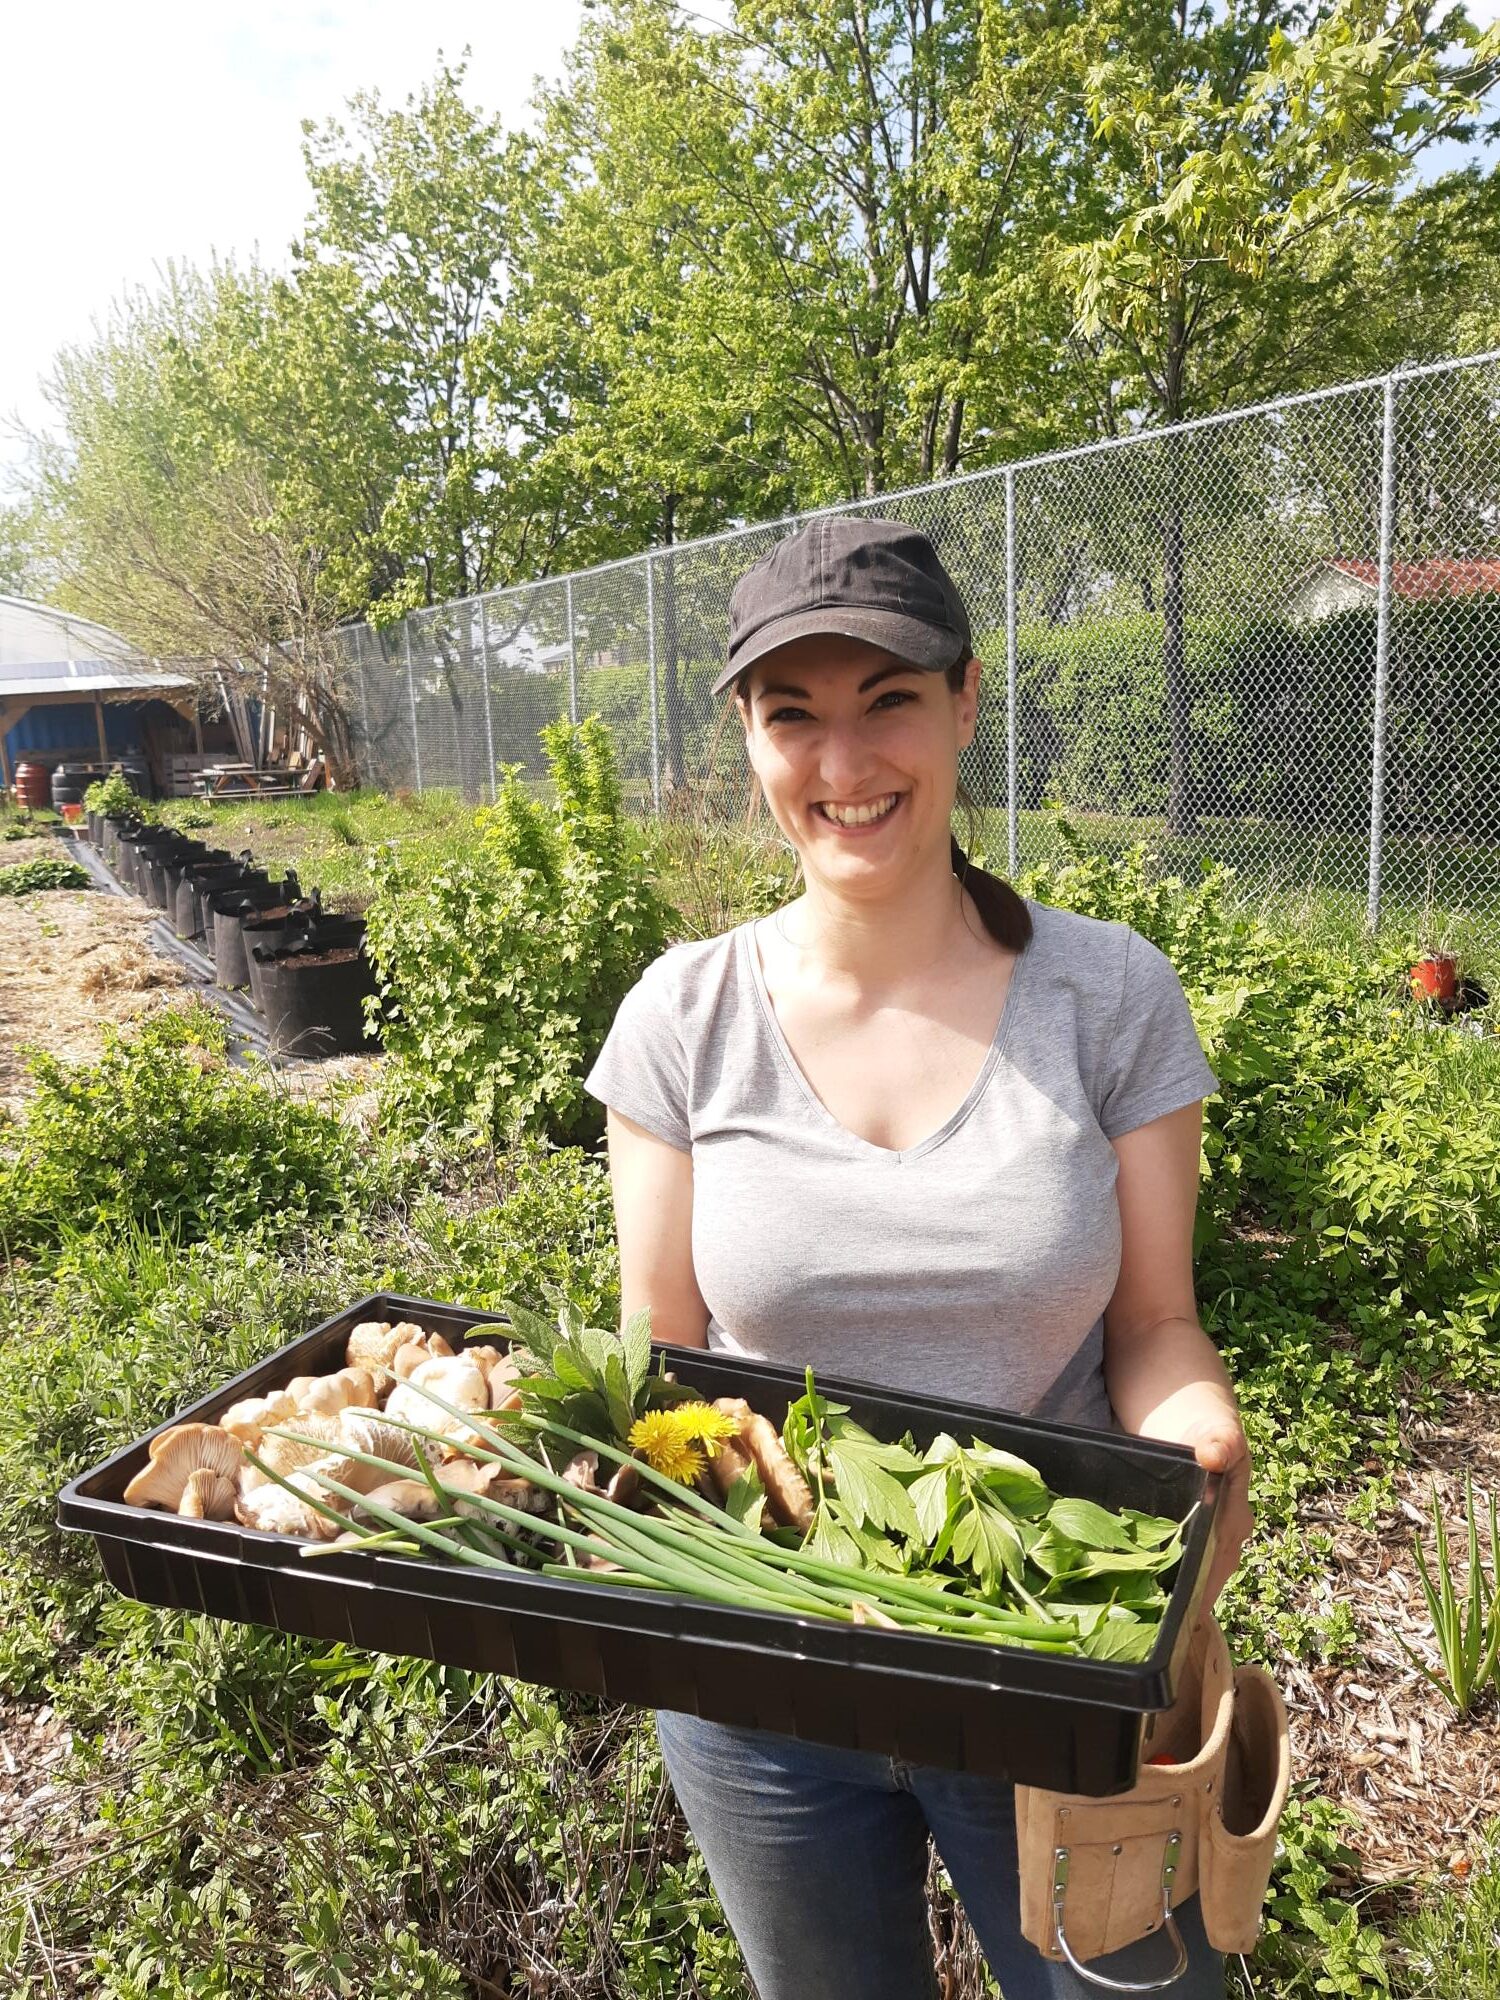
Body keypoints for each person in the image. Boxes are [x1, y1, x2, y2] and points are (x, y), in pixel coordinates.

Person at [583, 516, 1254, 2000]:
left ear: (962, 702)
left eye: (887, 698)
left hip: (1053, 1659)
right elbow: (660, 1349)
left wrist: (1193, 1432)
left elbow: (1153, 1321)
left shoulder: (1105, 995)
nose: (843, 763)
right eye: (793, 716)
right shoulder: (684, 1018)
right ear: (747, 744)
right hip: (762, 1677)